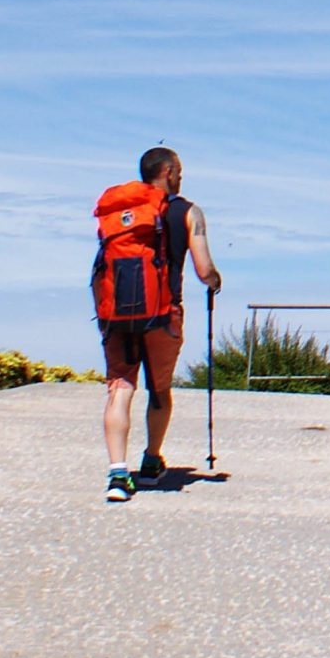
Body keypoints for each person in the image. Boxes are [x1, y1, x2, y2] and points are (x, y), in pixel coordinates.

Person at [97, 146, 221, 501]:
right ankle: (151, 460)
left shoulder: (120, 210)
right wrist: (215, 281)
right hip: (163, 313)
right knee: (159, 389)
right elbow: (204, 270)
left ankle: (118, 475)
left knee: (120, 388)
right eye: (179, 169)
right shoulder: (188, 212)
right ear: (168, 171)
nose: (181, 176)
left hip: (116, 314)